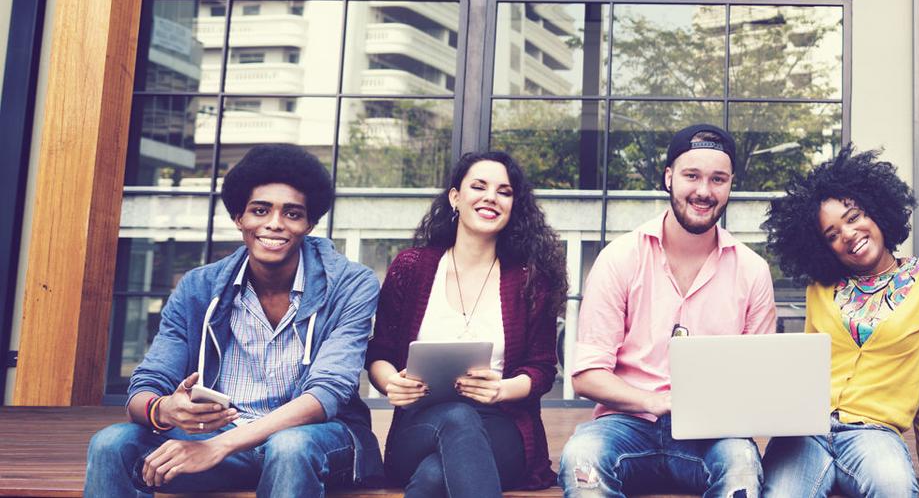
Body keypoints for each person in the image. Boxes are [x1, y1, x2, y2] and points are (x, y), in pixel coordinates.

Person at [85, 144, 382, 497]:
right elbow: (146, 385)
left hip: (315, 442)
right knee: (112, 443)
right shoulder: (199, 287)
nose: (274, 223)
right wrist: (165, 410)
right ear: (239, 218)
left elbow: (327, 394)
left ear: (310, 224)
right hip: (216, 442)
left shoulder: (350, 284)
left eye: (292, 213)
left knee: (289, 448)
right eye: (260, 210)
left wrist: (219, 446)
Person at [559, 124, 777, 497]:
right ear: (669, 177)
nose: (704, 191)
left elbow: (756, 381)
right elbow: (587, 376)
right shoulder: (620, 258)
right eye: (692, 175)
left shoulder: (752, 270)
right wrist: (655, 402)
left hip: (711, 432)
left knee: (742, 462)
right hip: (625, 424)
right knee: (582, 456)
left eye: (718, 179)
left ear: (730, 185)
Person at [367, 152, 568, 495]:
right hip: (419, 425)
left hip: (502, 425)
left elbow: (543, 369)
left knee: (433, 476)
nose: (491, 196)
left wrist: (502, 389)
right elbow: (379, 353)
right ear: (455, 197)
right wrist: (390, 383)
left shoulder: (529, 278)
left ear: (513, 206)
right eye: (479, 186)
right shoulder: (411, 268)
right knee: (456, 418)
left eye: (504, 191)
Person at [758, 146, 919, 497]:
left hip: (874, 432)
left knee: (895, 490)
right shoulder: (820, 288)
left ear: (876, 211)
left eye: (853, 216)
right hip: (806, 432)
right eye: (831, 234)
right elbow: (807, 370)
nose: (847, 234)